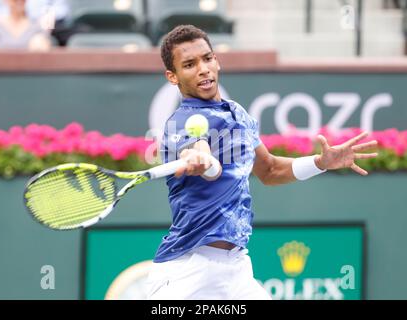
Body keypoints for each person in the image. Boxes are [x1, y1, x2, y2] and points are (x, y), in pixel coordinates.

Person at [145, 25, 378, 300]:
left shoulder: (238, 115)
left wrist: (320, 162)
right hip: (189, 269)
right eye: (189, 64)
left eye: (207, 58)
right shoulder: (180, 122)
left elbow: (269, 170)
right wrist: (202, 159)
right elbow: (205, 160)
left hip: (235, 267)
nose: (203, 69)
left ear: (217, 60)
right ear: (172, 76)